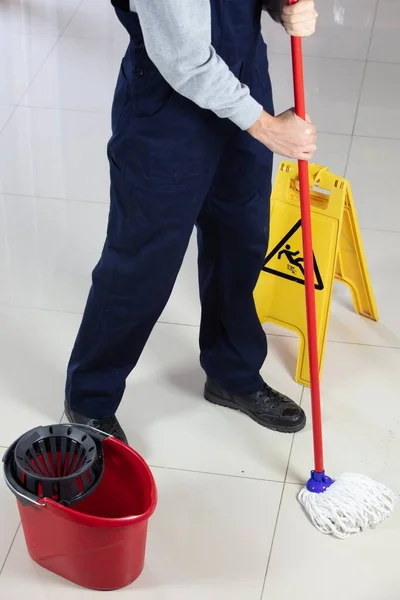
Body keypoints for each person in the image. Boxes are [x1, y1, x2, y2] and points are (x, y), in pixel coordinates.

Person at [65, 0, 318, 444]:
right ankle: (90, 399)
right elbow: (184, 58)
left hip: (243, 77)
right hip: (167, 108)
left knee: (240, 240)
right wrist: (265, 127)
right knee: (143, 262)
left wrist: (284, 5)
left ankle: (232, 372)